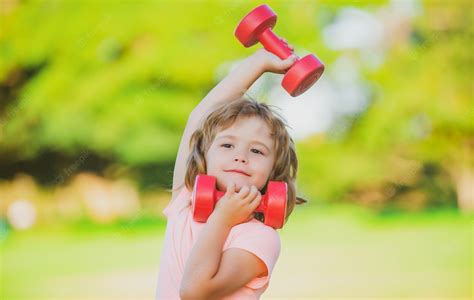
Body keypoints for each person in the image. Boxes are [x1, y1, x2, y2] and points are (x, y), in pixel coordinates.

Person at [156, 45, 307, 299]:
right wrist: (258, 63)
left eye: (257, 151)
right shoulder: (185, 199)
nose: (240, 156)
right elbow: (199, 118)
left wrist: (224, 217)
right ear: (203, 153)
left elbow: (194, 291)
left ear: (274, 170)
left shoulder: (260, 238)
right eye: (227, 145)